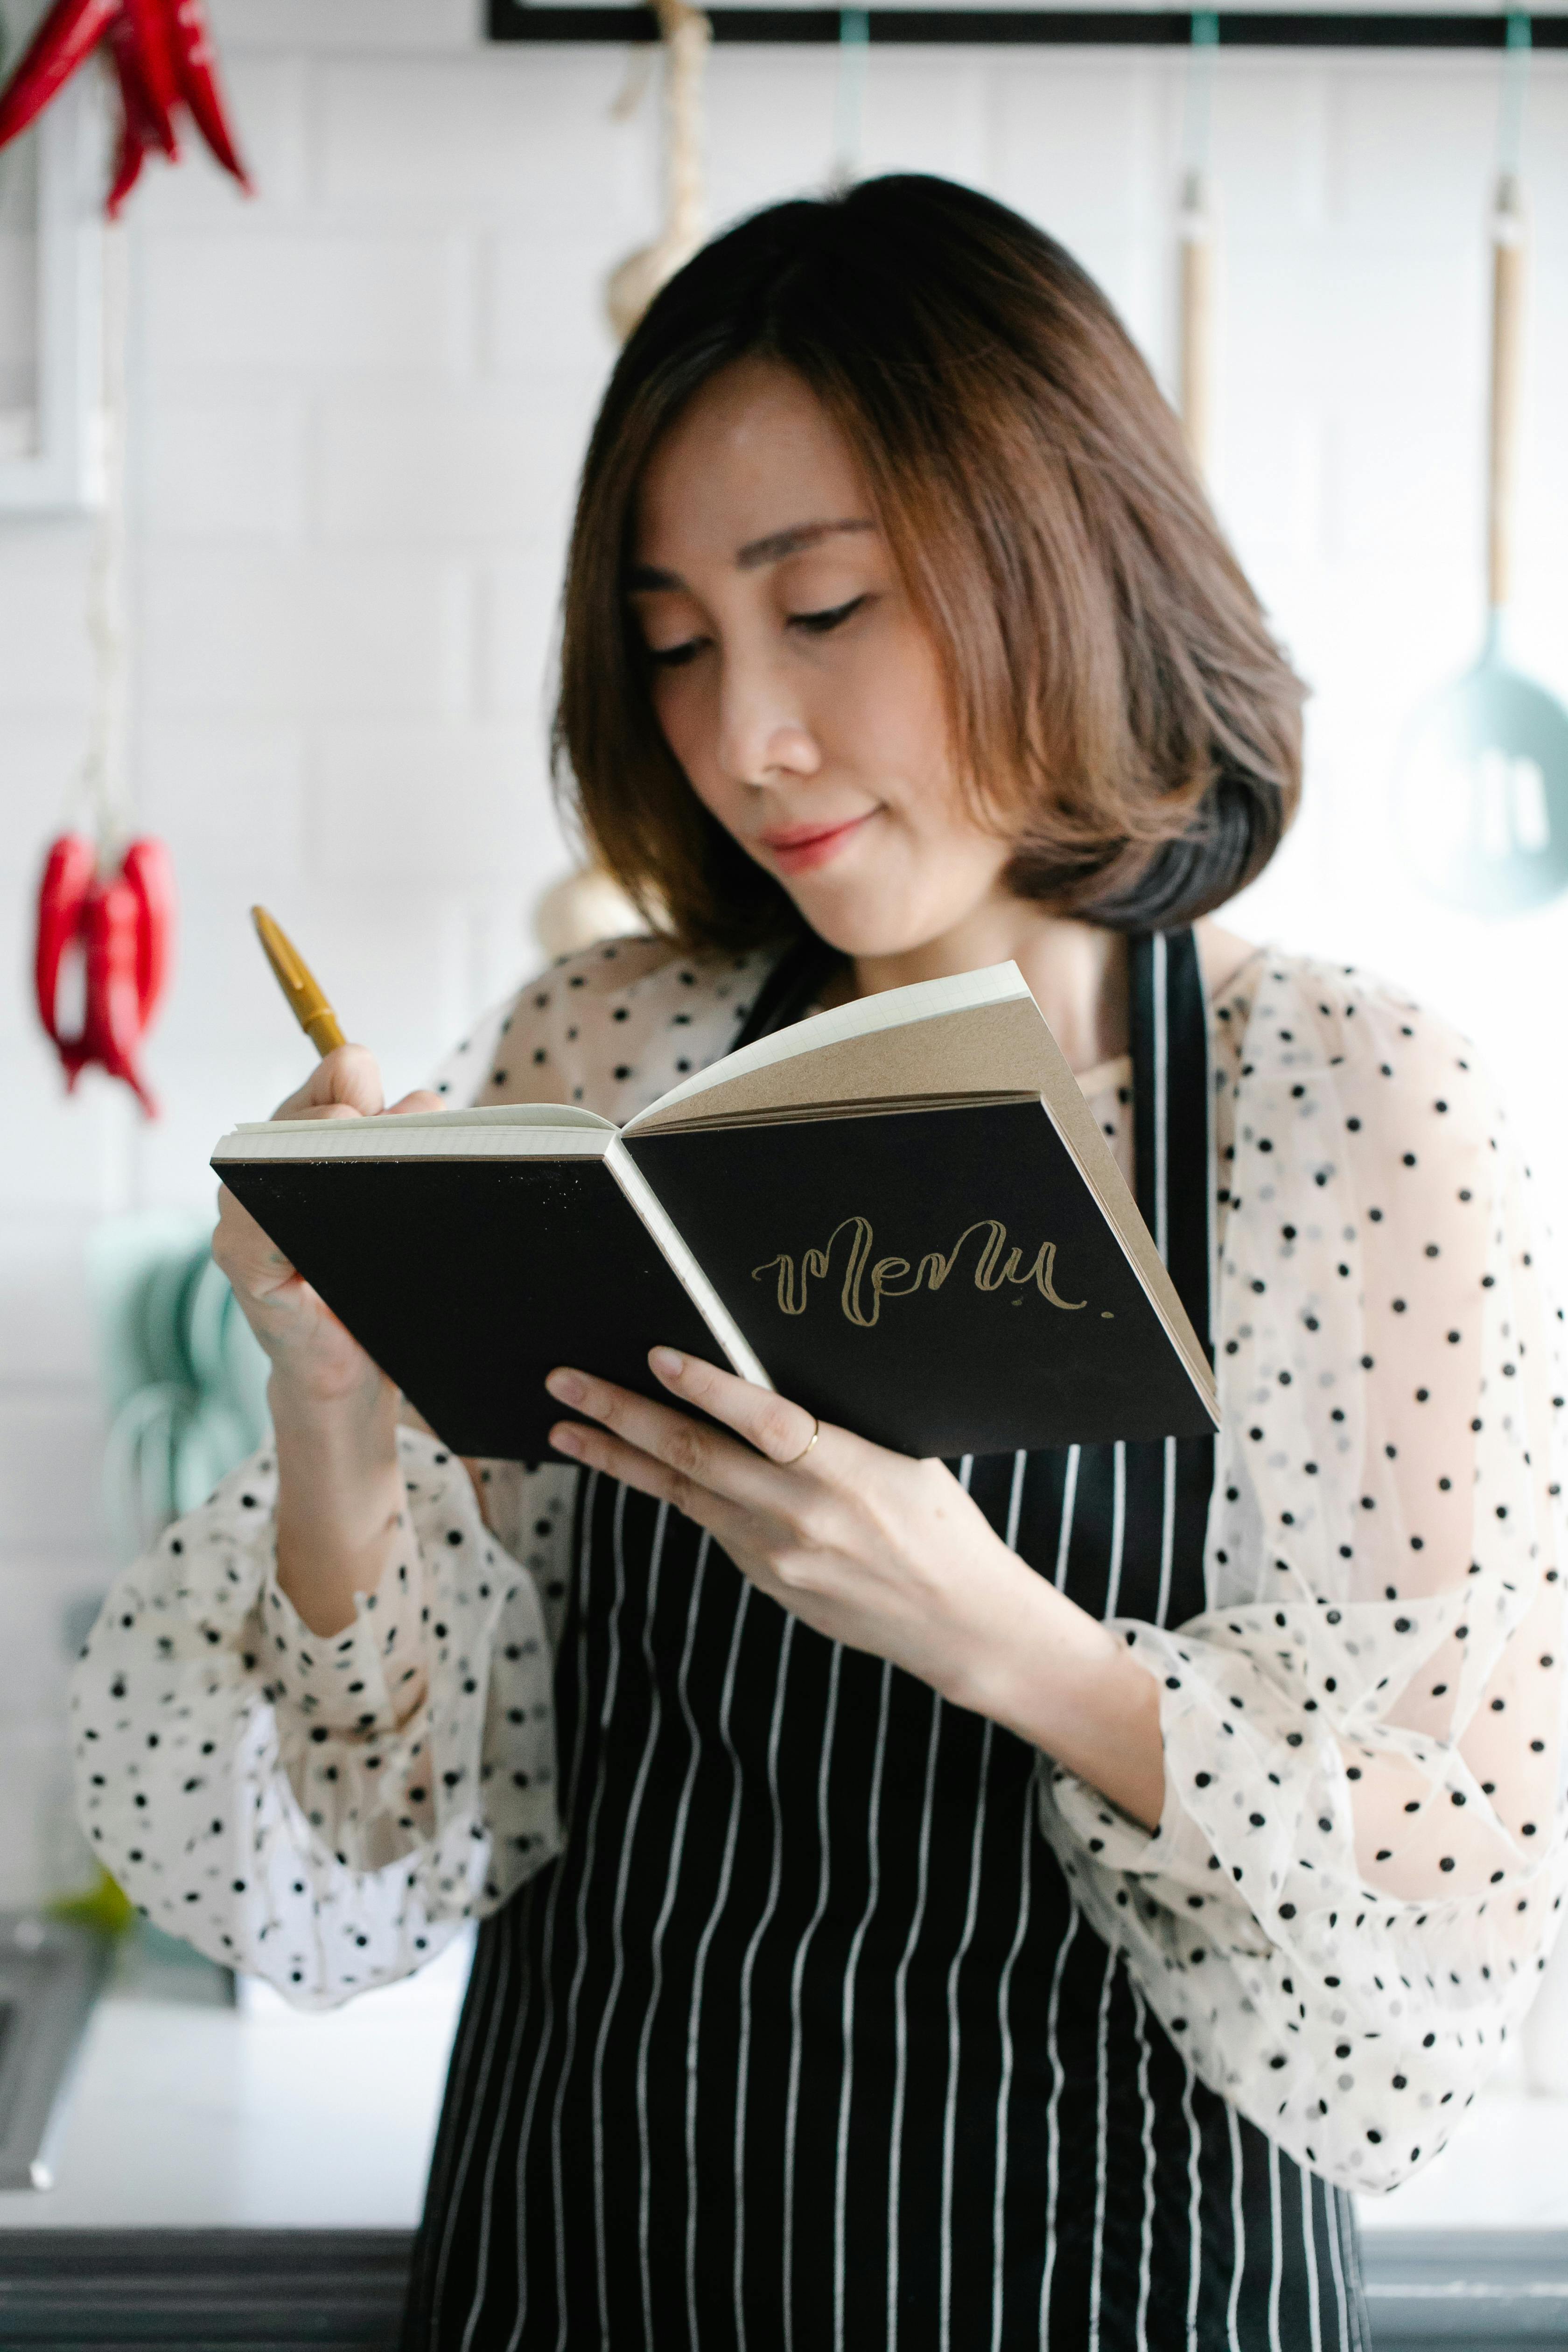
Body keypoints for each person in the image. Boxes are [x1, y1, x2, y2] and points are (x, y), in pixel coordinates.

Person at [73, 176, 1565, 2351]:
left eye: (828, 609)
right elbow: (391, 1812)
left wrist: (1019, 1644)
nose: (742, 733)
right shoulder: (609, 1042)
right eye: (675, 643)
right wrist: (336, 1409)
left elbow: (1464, 1872)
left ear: (1058, 558)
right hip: (594, 2255)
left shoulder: (1354, 1110)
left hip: (1119, 2289)